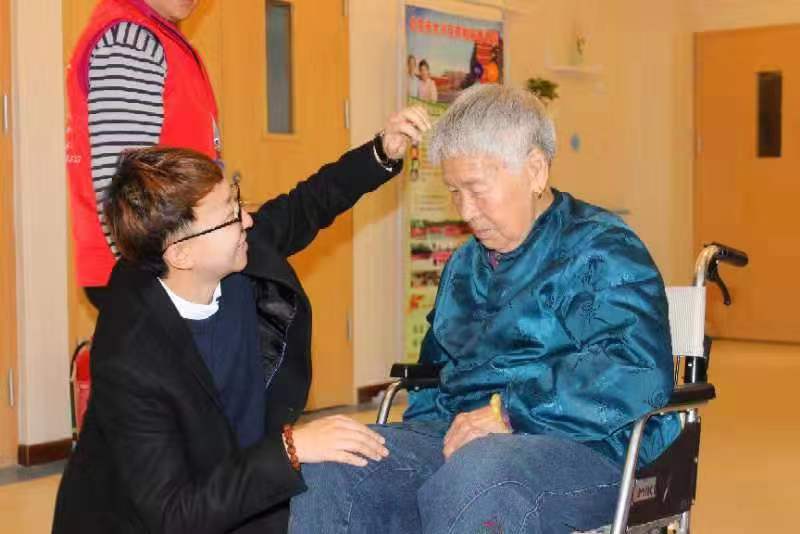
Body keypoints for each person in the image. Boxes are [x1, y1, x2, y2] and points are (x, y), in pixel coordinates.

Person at [289, 85, 681, 534]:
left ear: (535, 170)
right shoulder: (464, 264)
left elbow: (634, 369)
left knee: (477, 478)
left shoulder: (601, 251)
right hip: (463, 439)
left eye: (476, 189)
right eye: (455, 192)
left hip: (589, 446)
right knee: (332, 467)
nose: (466, 211)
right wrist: (414, 449)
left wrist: (509, 412)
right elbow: (435, 373)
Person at [52, 107, 431, 534]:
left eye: (236, 199)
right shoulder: (130, 358)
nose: (247, 219)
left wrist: (382, 151)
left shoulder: (231, 256)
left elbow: (306, 204)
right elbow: (175, 514)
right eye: (230, 215)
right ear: (181, 254)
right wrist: (291, 448)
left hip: (241, 489)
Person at [66, 0, 217, 310]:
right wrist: (151, 279)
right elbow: (122, 184)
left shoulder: (153, 35)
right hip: (149, 269)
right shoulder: (129, 41)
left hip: (163, 263)